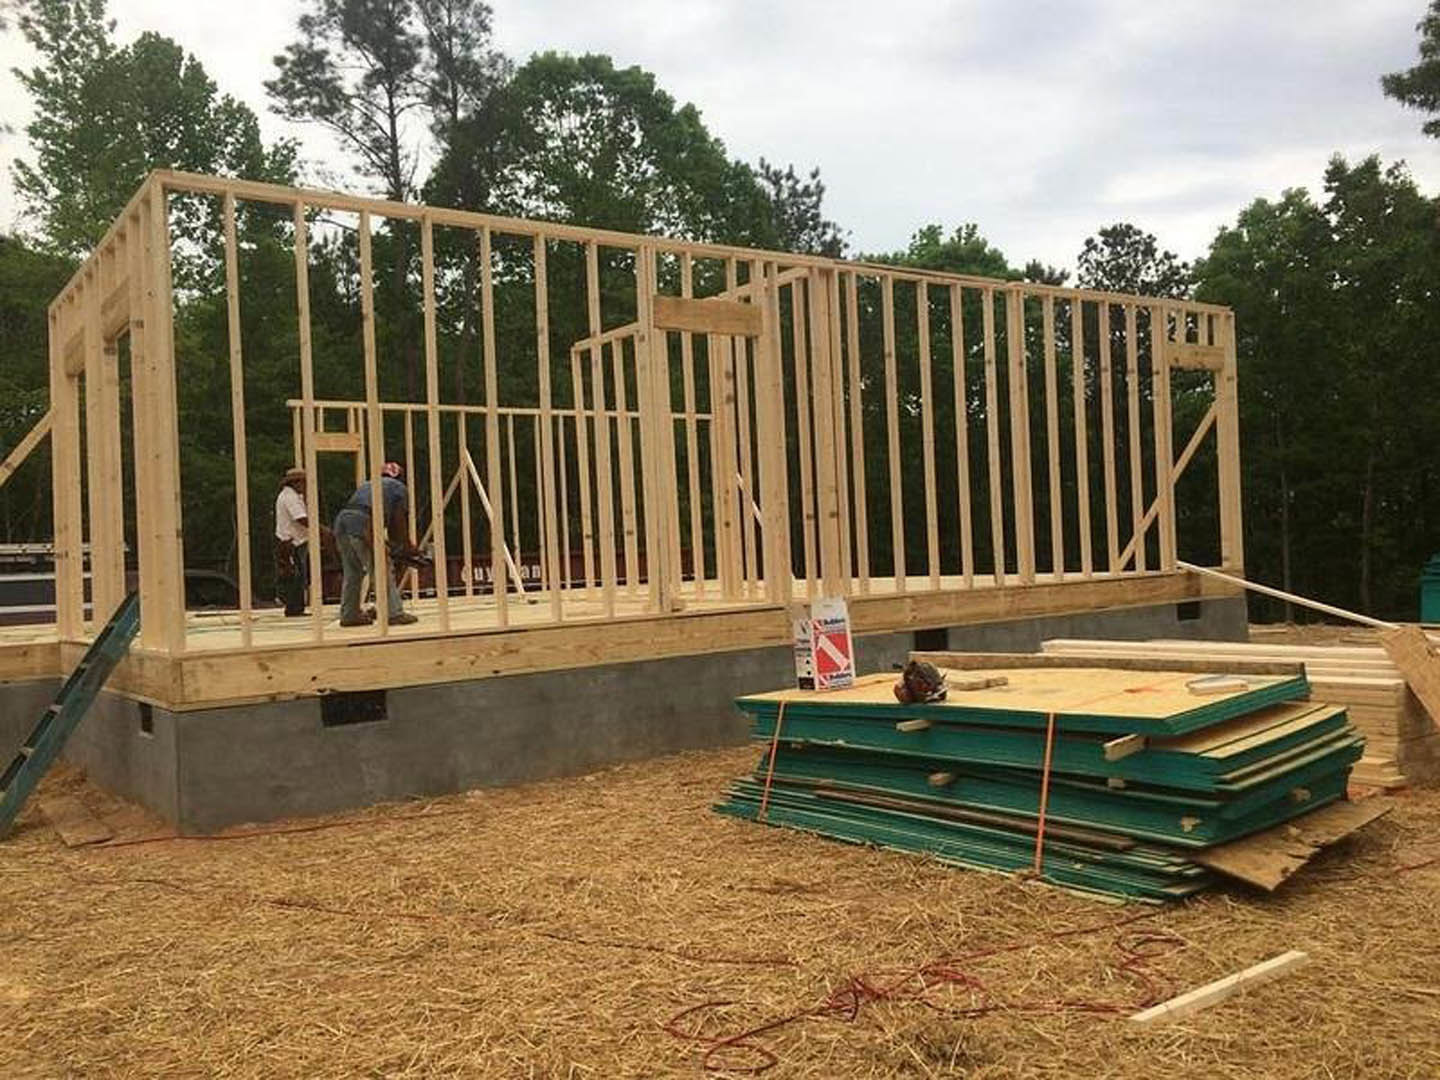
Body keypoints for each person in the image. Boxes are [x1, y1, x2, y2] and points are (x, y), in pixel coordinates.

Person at [332, 461, 420, 627]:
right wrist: (407, 546)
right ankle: (393, 613)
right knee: (381, 567)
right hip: (364, 523)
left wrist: (393, 544)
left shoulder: (368, 484)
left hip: (342, 522)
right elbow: (398, 522)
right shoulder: (398, 488)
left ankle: (349, 614)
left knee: (353, 571)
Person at [273, 467, 310, 617]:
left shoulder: (290, 496)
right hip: (292, 542)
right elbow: (300, 518)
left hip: (291, 541)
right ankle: (294, 608)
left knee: (297, 574)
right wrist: (319, 529)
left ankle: (295, 607)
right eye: (303, 482)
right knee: (295, 575)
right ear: (296, 482)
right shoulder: (290, 497)